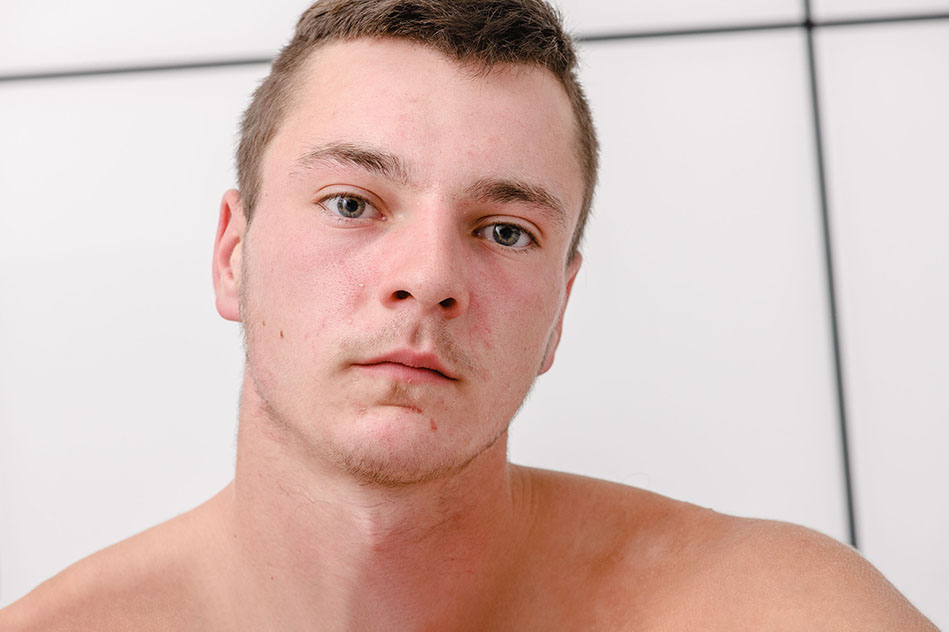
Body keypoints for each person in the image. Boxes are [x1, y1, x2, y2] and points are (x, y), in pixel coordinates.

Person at [0, 0, 937, 629]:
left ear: (559, 311)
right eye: (352, 203)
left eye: (504, 230)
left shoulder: (773, 612)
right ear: (232, 256)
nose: (428, 278)